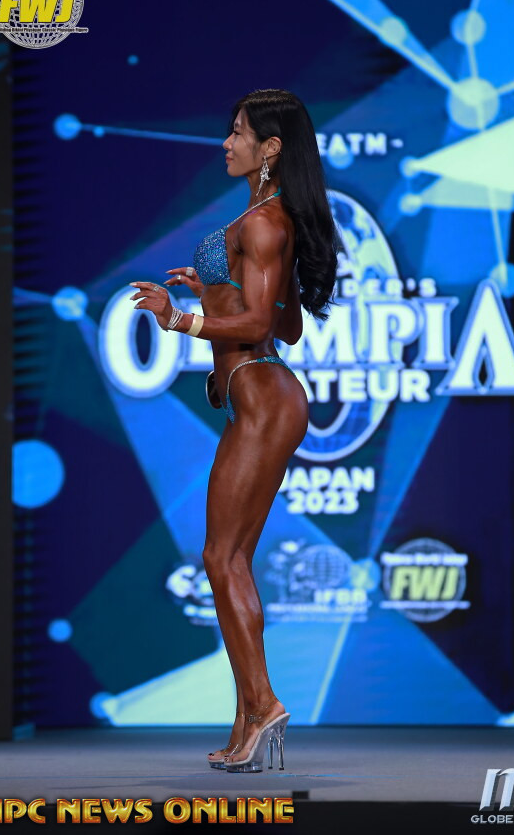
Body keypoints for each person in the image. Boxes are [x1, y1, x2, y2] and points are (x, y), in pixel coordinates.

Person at [130, 89, 339, 772]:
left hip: (264, 393)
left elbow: (259, 327)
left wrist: (180, 318)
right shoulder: (261, 218)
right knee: (228, 561)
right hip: (256, 394)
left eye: (240, 132)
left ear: (270, 148)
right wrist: (213, 291)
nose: (227, 142)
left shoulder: (266, 223)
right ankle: (248, 721)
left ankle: (264, 704)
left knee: (222, 559)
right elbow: (288, 322)